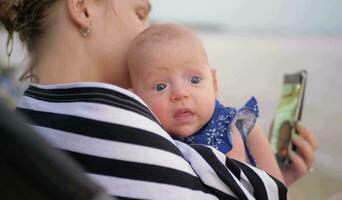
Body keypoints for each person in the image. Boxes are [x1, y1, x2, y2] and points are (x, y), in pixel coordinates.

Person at [0, 0, 311, 198]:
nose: (145, 31)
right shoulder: (116, 125)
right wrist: (271, 183)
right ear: (82, 7)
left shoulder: (28, 120)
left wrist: (270, 178)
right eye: (139, 13)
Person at [127, 23, 281, 176]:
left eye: (194, 80)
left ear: (213, 84)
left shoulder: (240, 126)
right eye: (160, 87)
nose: (180, 93)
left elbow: (278, 190)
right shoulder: (149, 143)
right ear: (136, 99)